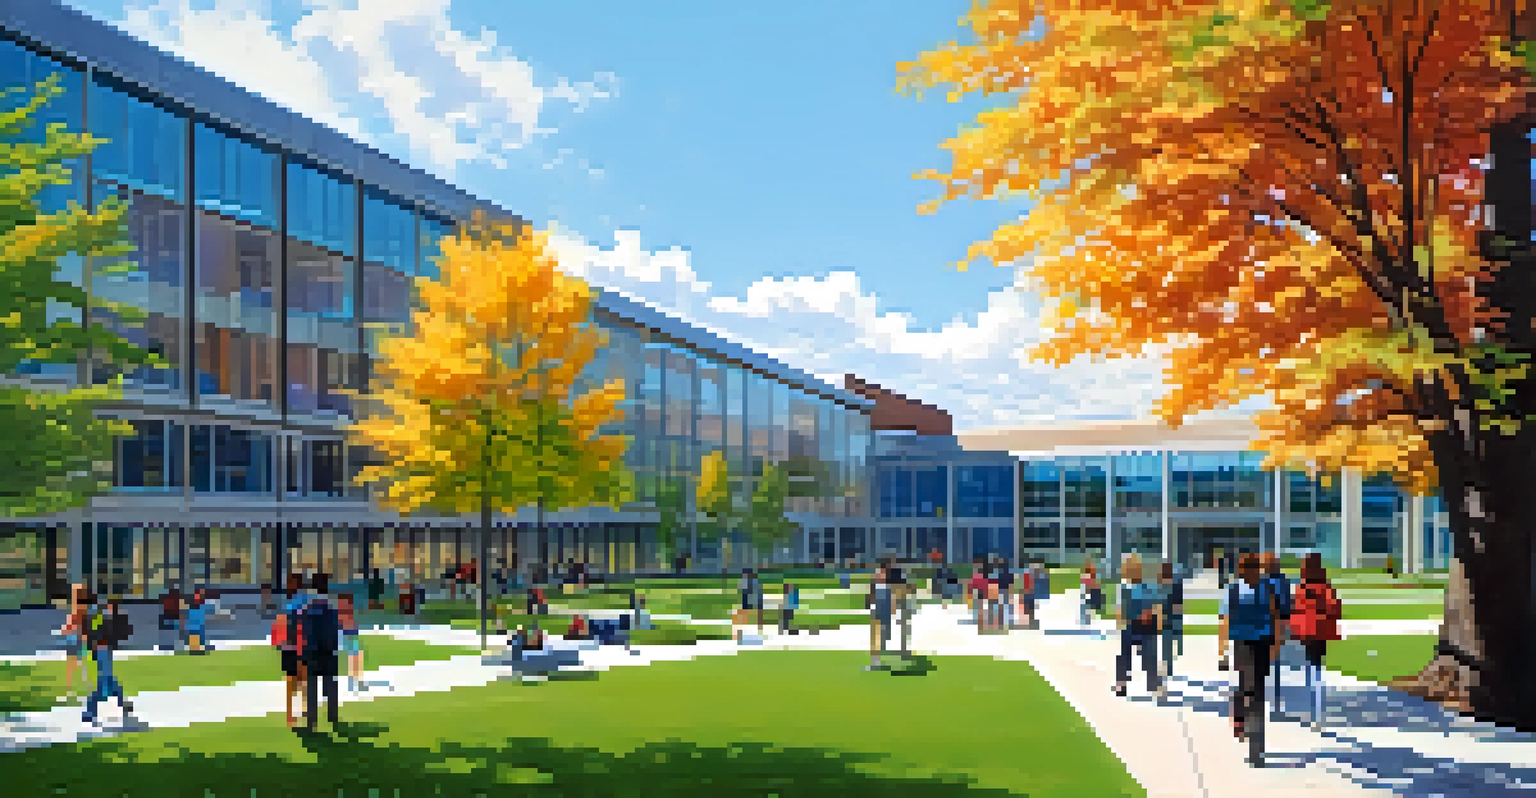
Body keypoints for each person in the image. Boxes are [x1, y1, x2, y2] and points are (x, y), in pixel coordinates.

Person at [1219, 553, 1281, 768]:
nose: (1253, 572)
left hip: (1262, 643)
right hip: (1242, 644)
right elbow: (1225, 619)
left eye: (1256, 567)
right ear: (1241, 571)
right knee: (1248, 688)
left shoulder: (1268, 589)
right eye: (1249, 568)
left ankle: (1257, 749)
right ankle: (1239, 714)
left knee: (1257, 693)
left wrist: (1275, 645)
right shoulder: (1233, 590)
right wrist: (1222, 650)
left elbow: (1275, 617)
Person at [1289, 553, 1343, 731]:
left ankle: (1315, 711)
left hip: (1312, 632)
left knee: (1313, 670)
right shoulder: (1313, 586)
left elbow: (1333, 608)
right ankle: (1315, 710)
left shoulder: (1308, 587)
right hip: (1313, 633)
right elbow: (1335, 609)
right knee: (1314, 669)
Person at [1113, 555, 1164, 700]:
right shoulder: (1123, 588)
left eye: (1134, 568)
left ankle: (1153, 684)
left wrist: (1155, 619)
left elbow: (1156, 606)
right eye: (1129, 568)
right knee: (1124, 657)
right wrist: (1123, 621)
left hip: (1147, 627)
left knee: (1150, 656)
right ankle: (1121, 683)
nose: (1132, 571)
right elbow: (1119, 610)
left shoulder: (1148, 587)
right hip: (1130, 626)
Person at [83, 597, 134, 726]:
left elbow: (113, 633)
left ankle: (92, 711)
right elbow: (95, 633)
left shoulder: (106, 617)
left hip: (104, 650)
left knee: (106, 682)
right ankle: (121, 703)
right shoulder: (100, 616)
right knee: (107, 681)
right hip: (102, 650)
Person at [299, 575, 342, 732]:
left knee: (311, 688)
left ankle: (311, 721)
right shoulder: (330, 610)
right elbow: (334, 631)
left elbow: (304, 632)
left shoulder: (308, 609)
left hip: (312, 652)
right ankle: (333, 717)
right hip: (328, 652)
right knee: (330, 685)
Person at [1263, 553, 1294, 720]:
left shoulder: (1261, 582)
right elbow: (1288, 604)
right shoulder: (1283, 581)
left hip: (1265, 625)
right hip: (1278, 626)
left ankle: (1267, 699)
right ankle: (1275, 702)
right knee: (1275, 663)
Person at [58, 584, 90, 704]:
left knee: (73, 667)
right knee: (81, 667)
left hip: (75, 640)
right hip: (78, 640)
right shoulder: (81, 610)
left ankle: (71, 691)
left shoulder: (78, 611)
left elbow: (75, 627)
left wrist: (66, 629)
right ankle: (83, 690)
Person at [1158, 561, 1184, 682]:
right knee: (1168, 641)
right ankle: (1168, 665)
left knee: (1167, 642)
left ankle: (1168, 664)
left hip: (1170, 617)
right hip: (1170, 617)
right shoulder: (1170, 585)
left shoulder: (1165, 586)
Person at [866, 564, 892, 670]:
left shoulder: (887, 589)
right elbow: (870, 600)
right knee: (874, 638)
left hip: (883, 615)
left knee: (880, 638)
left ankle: (877, 660)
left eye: (881, 574)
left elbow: (889, 606)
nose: (879, 576)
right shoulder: (874, 588)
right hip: (876, 614)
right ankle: (874, 661)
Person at [337, 593, 363, 695]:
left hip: (345, 637)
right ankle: (355, 680)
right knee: (356, 654)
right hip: (341, 636)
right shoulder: (342, 614)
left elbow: (353, 629)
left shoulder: (347, 614)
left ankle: (355, 680)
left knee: (356, 654)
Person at [185, 588, 211, 655]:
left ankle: (196, 649)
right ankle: (194, 649)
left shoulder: (201, 603)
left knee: (198, 635)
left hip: (198, 620)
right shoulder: (194, 602)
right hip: (195, 620)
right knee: (194, 634)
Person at [1080, 561, 1101, 626]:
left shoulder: (1090, 576)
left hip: (1092, 592)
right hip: (1091, 592)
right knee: (1088, 606)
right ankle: (1087, 619)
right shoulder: (1088, 577)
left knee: (1089, 606)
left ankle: (1087, 619)